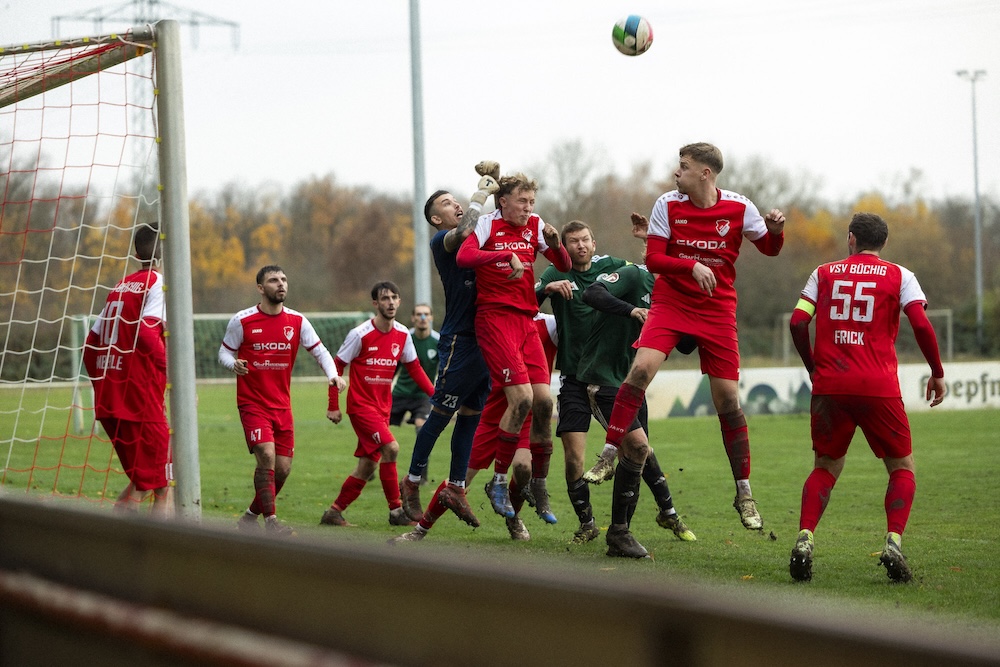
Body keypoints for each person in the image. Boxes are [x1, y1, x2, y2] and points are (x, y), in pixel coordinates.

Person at [583, 142, 786, 532]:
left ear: (705, 173)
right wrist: (691, 265)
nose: (677, 172)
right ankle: (608, 454)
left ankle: (744, 493)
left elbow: (771, 249)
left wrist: (776, 232)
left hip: (717, 309)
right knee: (640, 370)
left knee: (728, 401)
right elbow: (654, 259)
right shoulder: (667, 204)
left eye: (684, 166)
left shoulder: (740, 207)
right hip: (671, 302)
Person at [787, 212, 946, 583]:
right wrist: (937, 371)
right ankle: (893, 542)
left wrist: (813, 367)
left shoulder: (822, 273)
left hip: (830, 386)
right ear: (884, 243)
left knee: (825, 467)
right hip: (878, 388)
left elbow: (797, 321)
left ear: (851, 239)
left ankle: (805, 537)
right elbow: (920, 323)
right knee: (902, 467)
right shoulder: (901, 276)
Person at [455, 171, 571, 529]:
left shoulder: (535, 225)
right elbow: (464, 256)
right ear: (503, 201)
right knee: (521, 400)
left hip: (526, 321)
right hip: (495, 318)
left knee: (544, 403)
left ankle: (539, 484)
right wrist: (504, 255)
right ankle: (499, 481)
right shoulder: (488, 223)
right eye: (522, 201)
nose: (528, 208)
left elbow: (564, 266)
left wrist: (556, 245)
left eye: (532, 202)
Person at [391, 164, 500, 543]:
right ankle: (412, 481)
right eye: (447, 203)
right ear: (436, 218)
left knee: (470, 416)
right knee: (440, 414)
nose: (456, 205)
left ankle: (456, 487)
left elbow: (486, 227)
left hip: (486, 339)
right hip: (460, 340)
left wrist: (498, 188)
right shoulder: (443, 240)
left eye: (457, 200)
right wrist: (480, 194)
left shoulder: (474, 237)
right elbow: (467, 228)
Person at [581, 257, 698, 558]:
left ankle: (634, 528)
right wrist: (631, 310)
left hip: (633, 387)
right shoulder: (635, 275)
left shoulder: (677, 292)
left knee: (638, 452)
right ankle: (620, 532)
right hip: (605, 379)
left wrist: (700, 315)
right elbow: (592, 293)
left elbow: (685, 346)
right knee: (638, 447)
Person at [218, 265, 346, 536]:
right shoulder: (242, 320)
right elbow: (224, 353)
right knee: (266, 455)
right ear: (260, 288)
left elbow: (321, 351)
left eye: (284, 279)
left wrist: (333, 375)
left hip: (282, 406)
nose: (281, 284)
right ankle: (272, 522)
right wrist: (233, 364)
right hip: (252, 403)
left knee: (283, 469)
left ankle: (250, 517)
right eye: (274, 280)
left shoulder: (297, 321)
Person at [535, 220, 635, 541]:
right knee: (573, 456)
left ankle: (648, 515)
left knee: (636, 448)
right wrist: (547, 289)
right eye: (573, 241)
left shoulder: (613, 267)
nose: (580, 246)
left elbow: (643, 275)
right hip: (574, 378)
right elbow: (526, 302)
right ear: (564, 247)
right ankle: (587, 522)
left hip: (609, 378)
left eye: (585, 240)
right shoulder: (555, 272)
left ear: (594, 243)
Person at [321, 281, 436, 528]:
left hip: (383, 408)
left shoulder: (403, 334)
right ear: (375, 303)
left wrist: (434, 396)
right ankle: (396, 511)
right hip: (361, 407)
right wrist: (333, 404)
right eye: (385, 298)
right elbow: (336, 365)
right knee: (391, 448)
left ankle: (333, 513)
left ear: (399, 301)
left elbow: (415, 369)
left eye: (394, 297)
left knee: (367, 465)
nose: (390, 302)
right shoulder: (360, 334)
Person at [83, 222, 172, 516]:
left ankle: (113, 534)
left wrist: (105, 384)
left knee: (145, 482)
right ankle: (155, 545)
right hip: (140, 401)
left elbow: (90, 344)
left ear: (137, 254)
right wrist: (174, 376)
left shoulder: (119, 287)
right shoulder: (158, 284)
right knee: (161, 485)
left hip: (112, 400)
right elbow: (146, 333)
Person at [461, 311, 558, 541]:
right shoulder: (493, 321)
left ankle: (513, 517)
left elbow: (578, 320)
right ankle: (422, 525)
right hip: (492, 415)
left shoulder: (548, 324)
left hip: (524, 415)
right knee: (460, 480)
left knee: (524, 468)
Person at [389, 304, 439, 438]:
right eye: (419, 314)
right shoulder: (404, 338)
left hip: (423, 395)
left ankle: (421, 453)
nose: (423, 318)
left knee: (422, 426)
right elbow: (393, 367)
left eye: (426, 314)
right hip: (400, 391)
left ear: (431, 317)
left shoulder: (438, 342)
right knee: (380, 425)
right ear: (413, 318)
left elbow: (445, 369)